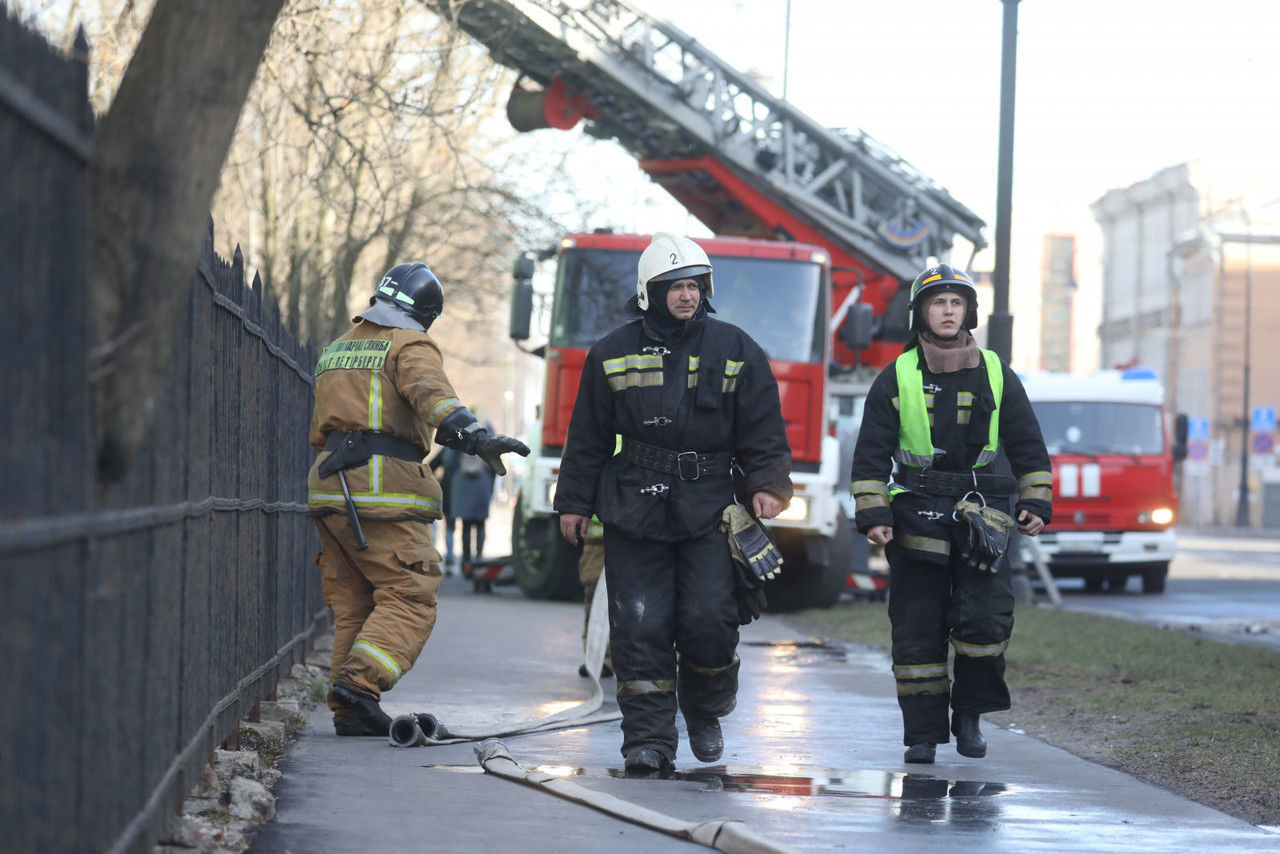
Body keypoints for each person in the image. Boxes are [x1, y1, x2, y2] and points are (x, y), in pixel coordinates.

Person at [554, 232, 793, 778]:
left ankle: (705, 711)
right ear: (649, 292)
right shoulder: (610, 352)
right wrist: (573, 503)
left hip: (711, 510)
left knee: (709, 619)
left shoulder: (736, 349)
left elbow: (763, 429)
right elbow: (587, 436)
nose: (687, 296)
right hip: (633, 508)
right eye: (675, 287)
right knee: (640, 626)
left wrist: (768, 484)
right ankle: (647, 741)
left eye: (694, 286)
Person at [306, 262, 529, 736]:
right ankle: (359, 686)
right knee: (411, 597)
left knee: (356, 606)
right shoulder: (409, 344)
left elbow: (321, 427)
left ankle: (349, 711)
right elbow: (432, 394)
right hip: (382, 493)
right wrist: (474, 437)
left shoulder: (338, 349)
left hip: (329, 490)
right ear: (425, 314)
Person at [848, 263, 1052, 764]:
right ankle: (922, 734)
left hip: (985, 518)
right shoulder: (895, 376)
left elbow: (1028, 446)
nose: (947, 311)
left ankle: (969, 718)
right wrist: (874, 513)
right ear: (920, 312)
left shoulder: (998, 373)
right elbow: (870, 454)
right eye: (938, 303)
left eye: (956, 303)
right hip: (916, 515)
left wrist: (1035, 502)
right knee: (917, 627)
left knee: (984, 624)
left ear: (968, 312)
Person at [452, 404, 497, 570]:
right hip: (482, 482)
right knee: (480, 524)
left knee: (465, 525)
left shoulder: (460, 429)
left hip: (463, 483)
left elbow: (450, 457)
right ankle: (478, 559)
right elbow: (494, 456)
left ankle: (465, 561)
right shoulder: (488, 427)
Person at [426, 446, 460, 573]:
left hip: (446, 490)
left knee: (449, 528)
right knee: (465, 527)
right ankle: (471, 560)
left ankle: (450, 560)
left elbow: (431, 466)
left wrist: (437, 479)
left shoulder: (448, 449)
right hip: (465, 492)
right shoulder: (468, 448)